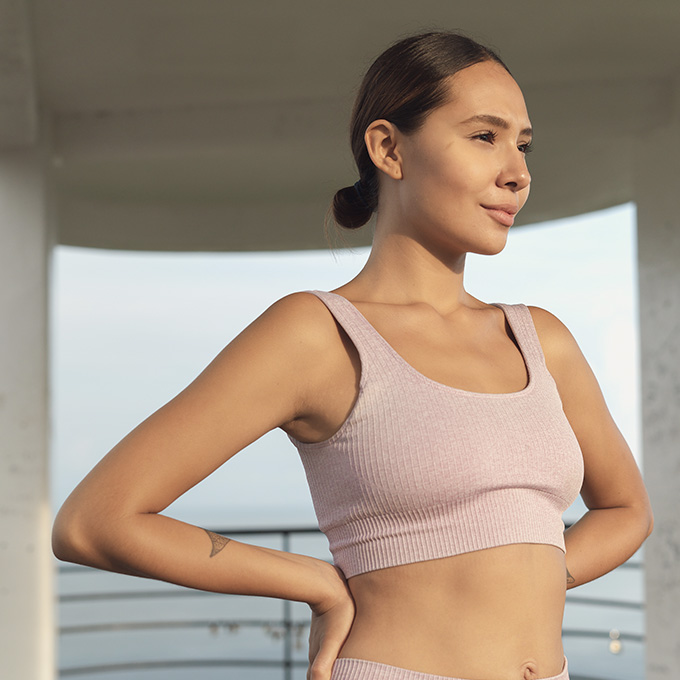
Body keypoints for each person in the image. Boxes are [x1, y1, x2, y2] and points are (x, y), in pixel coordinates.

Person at [52, 29, 653, 680]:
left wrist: (530, 573)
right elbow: (96, 520)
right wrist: (313, 581)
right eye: (485, 136)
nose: (518, 172)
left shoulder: (541, 338)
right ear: (389, 148)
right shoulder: (319, 335)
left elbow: (626, 511)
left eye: (523, 144)